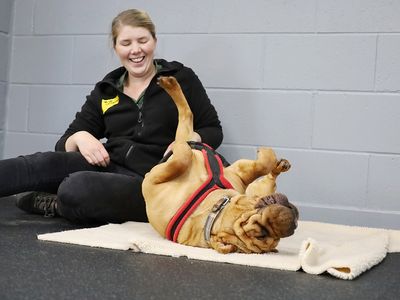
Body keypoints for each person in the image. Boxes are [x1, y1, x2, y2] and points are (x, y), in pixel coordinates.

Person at [0, 9, 223, 224]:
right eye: (126, 43)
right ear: (116, 48)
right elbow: (63, 143)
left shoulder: (181, 78)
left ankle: (57, 204)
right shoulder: (106, 89)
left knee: (77, 188)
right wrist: (79, 137)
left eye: (142, 40)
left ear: (154, 41)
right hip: (110, 165)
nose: (135, 50)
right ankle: (57, 198)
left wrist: (190, 140)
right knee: (42, 163)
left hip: (155, 181)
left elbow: (213, 130)